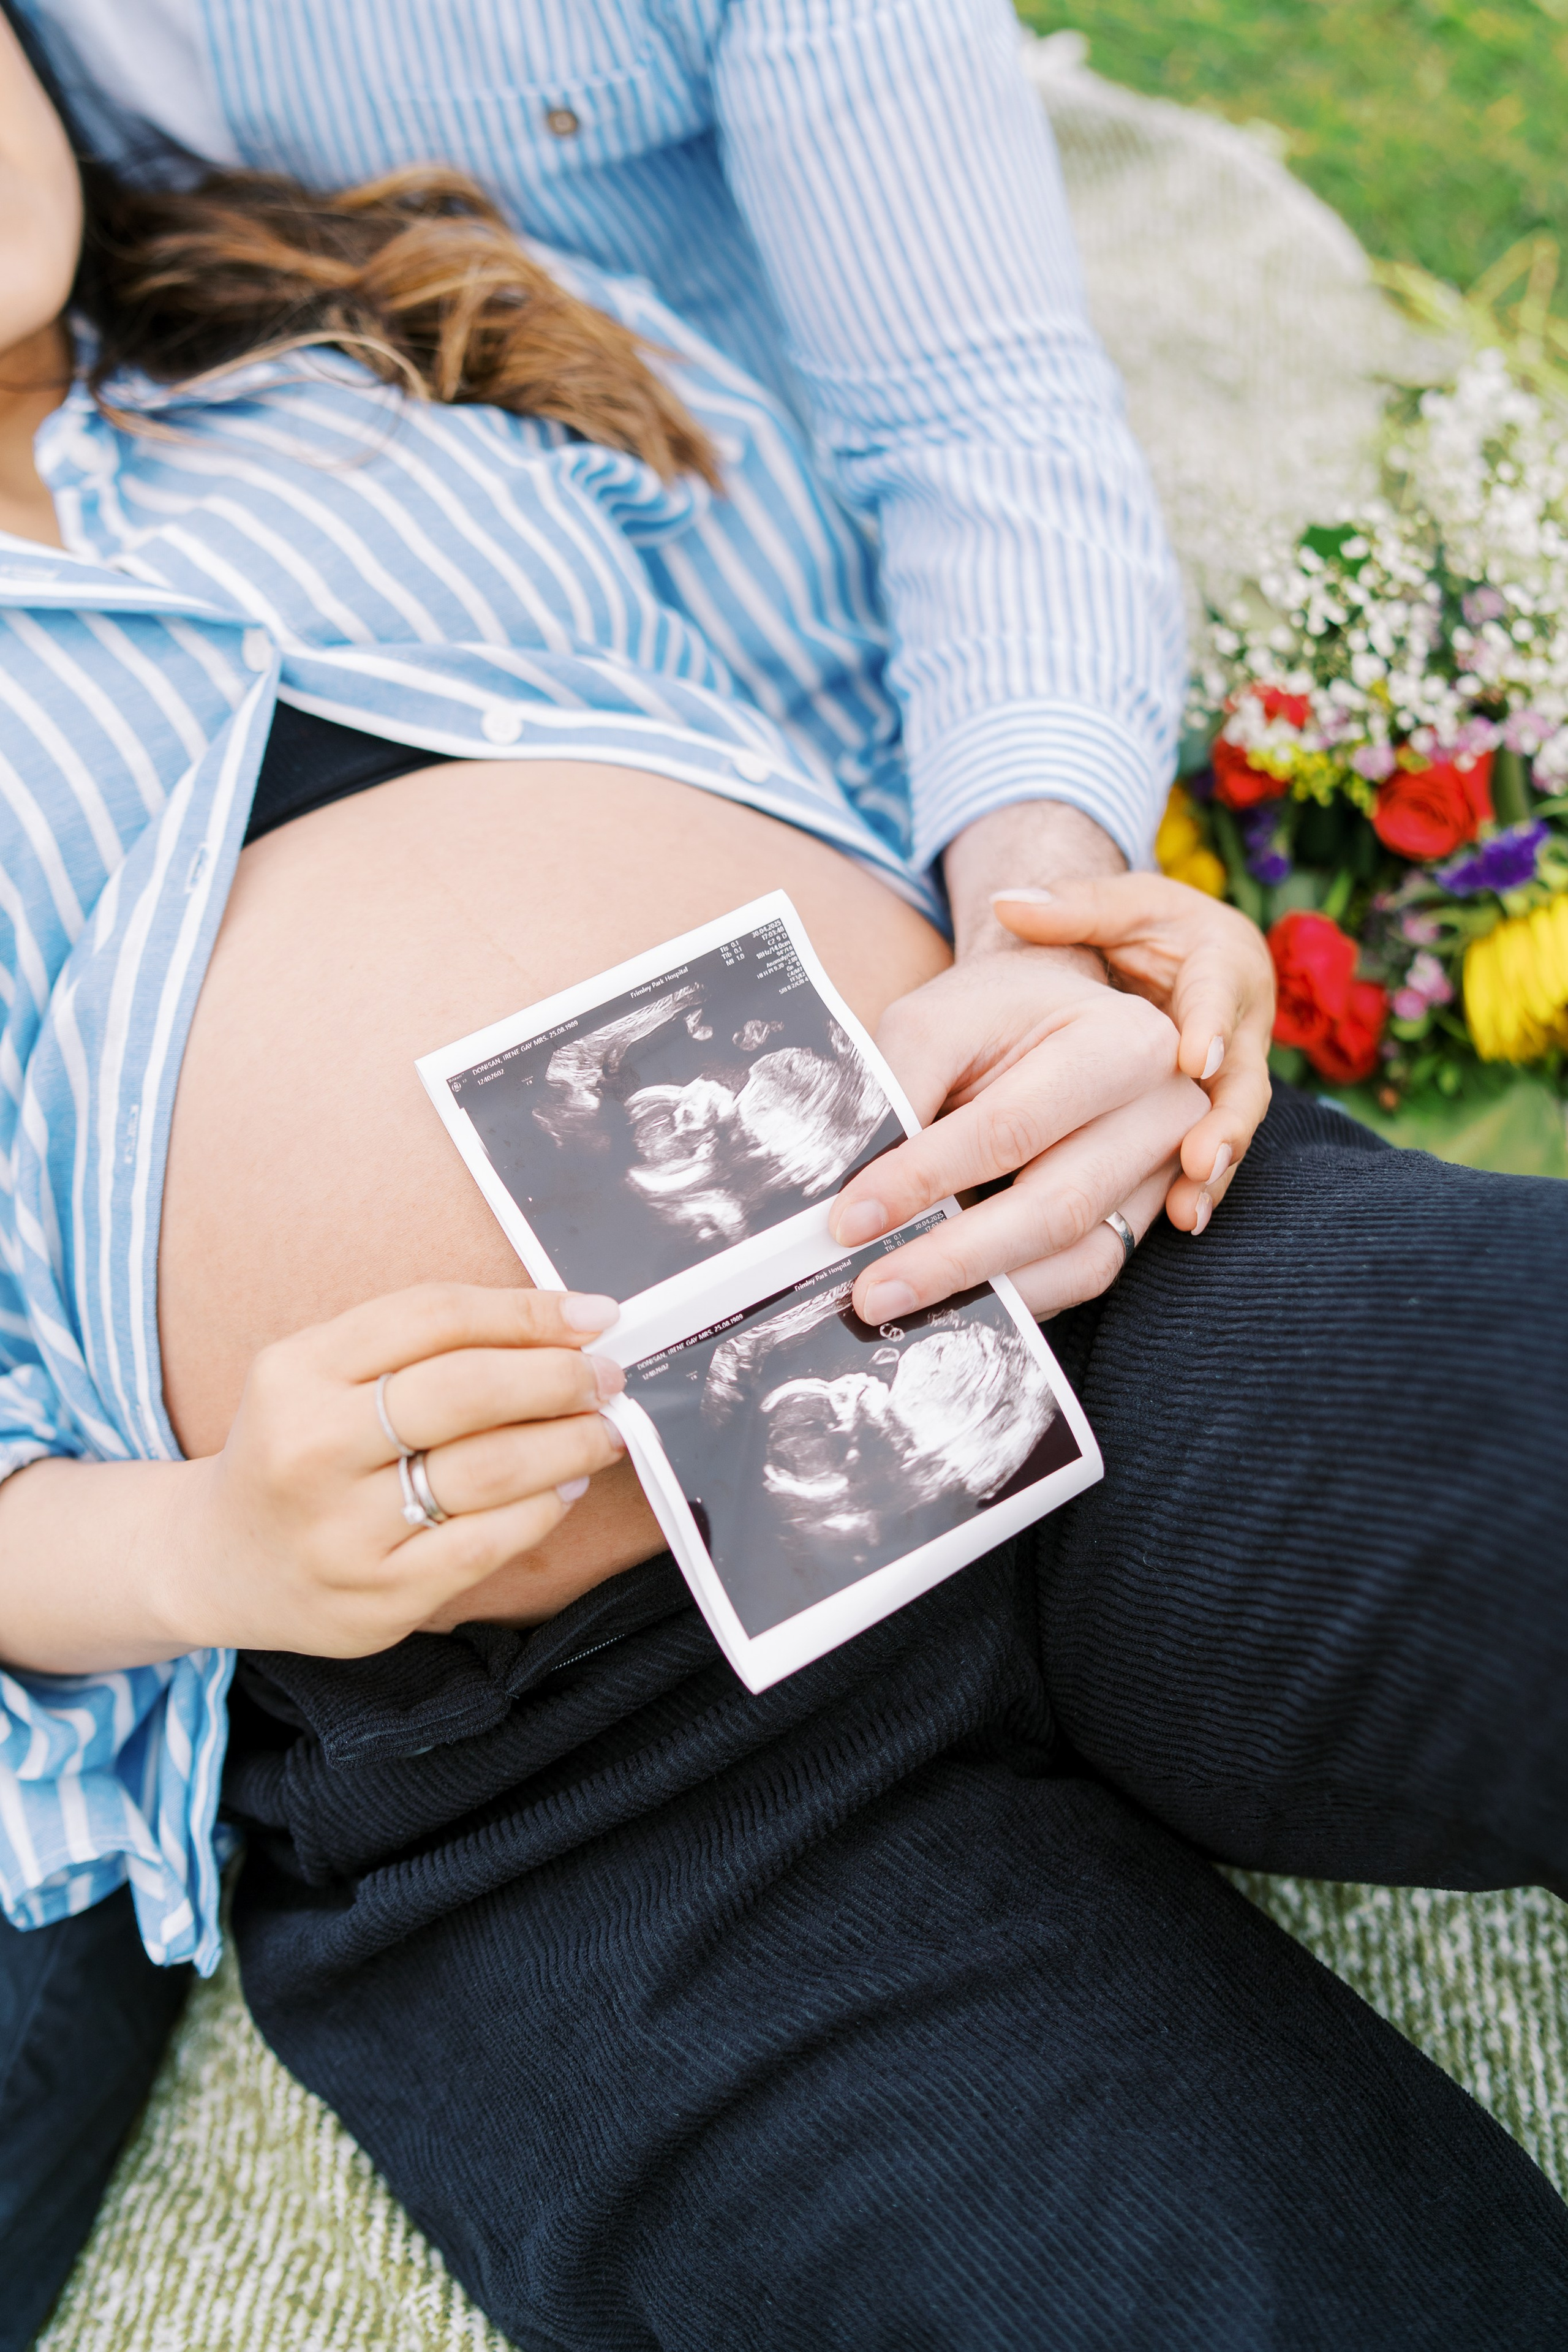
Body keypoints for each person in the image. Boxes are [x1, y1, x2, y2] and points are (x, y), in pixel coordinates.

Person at [2, 10, 1568, 2350]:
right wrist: (195, 1547)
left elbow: (892, 605)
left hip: (1060, 1293)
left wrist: (1058, 936)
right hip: (552, 1738)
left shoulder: (373, 339)